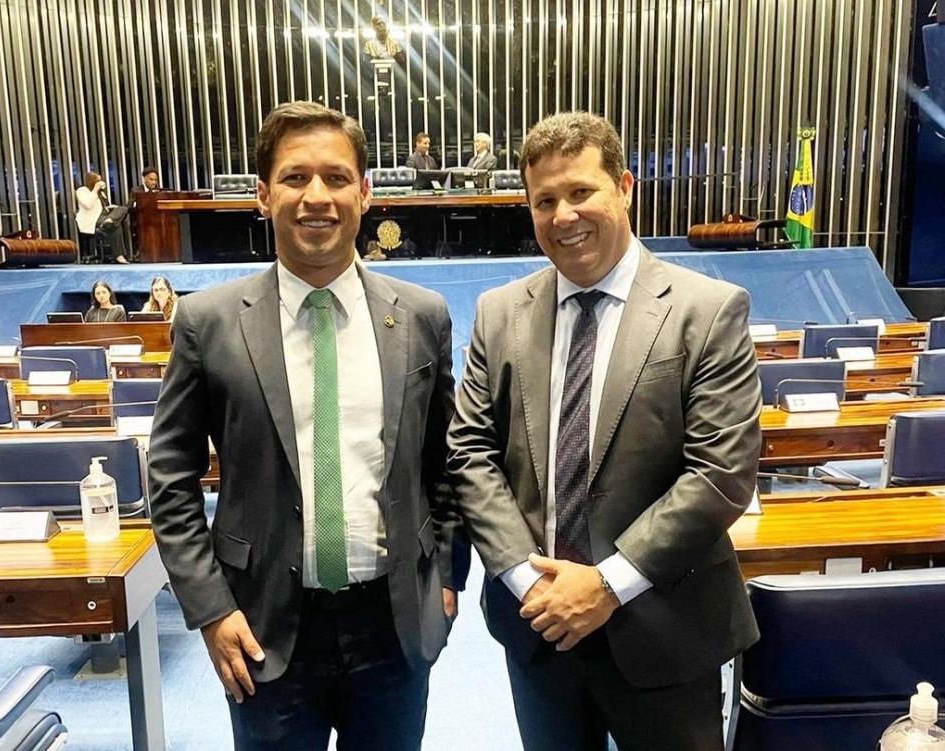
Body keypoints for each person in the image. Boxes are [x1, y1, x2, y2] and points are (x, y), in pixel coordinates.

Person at [148, 101, 468, 751]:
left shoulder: (422, 316)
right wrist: (211, 607)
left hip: (393, 627)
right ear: (263, 196)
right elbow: (169, 477)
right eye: (294, 178)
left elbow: (449, 461)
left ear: (365, 192)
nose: (315, 196)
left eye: (335, 177)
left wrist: (449, 573)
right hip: (261, 624)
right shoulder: (207, 322)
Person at [447, 111, 762, 751]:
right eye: (544, 201)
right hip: (538, 625)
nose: (564, 215)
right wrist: (525, 578)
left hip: (665, 624)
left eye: (581, 192)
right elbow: (470, 452)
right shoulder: (499, 314)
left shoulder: (706, 310)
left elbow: (720, 473)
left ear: (624, 186)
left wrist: (608, 583)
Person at [75, 171, 129, 264]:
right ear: (92, 181)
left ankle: (110, 220)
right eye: (98, 181)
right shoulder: (82, 191)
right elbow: (88, 205)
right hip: (93, 219)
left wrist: (110, 208)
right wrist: (95, 189)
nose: (100, 183)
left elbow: (103, 206)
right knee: (116, 227)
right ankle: (119, 256)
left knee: (123, 208)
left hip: (105, 216)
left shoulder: (101, 193)